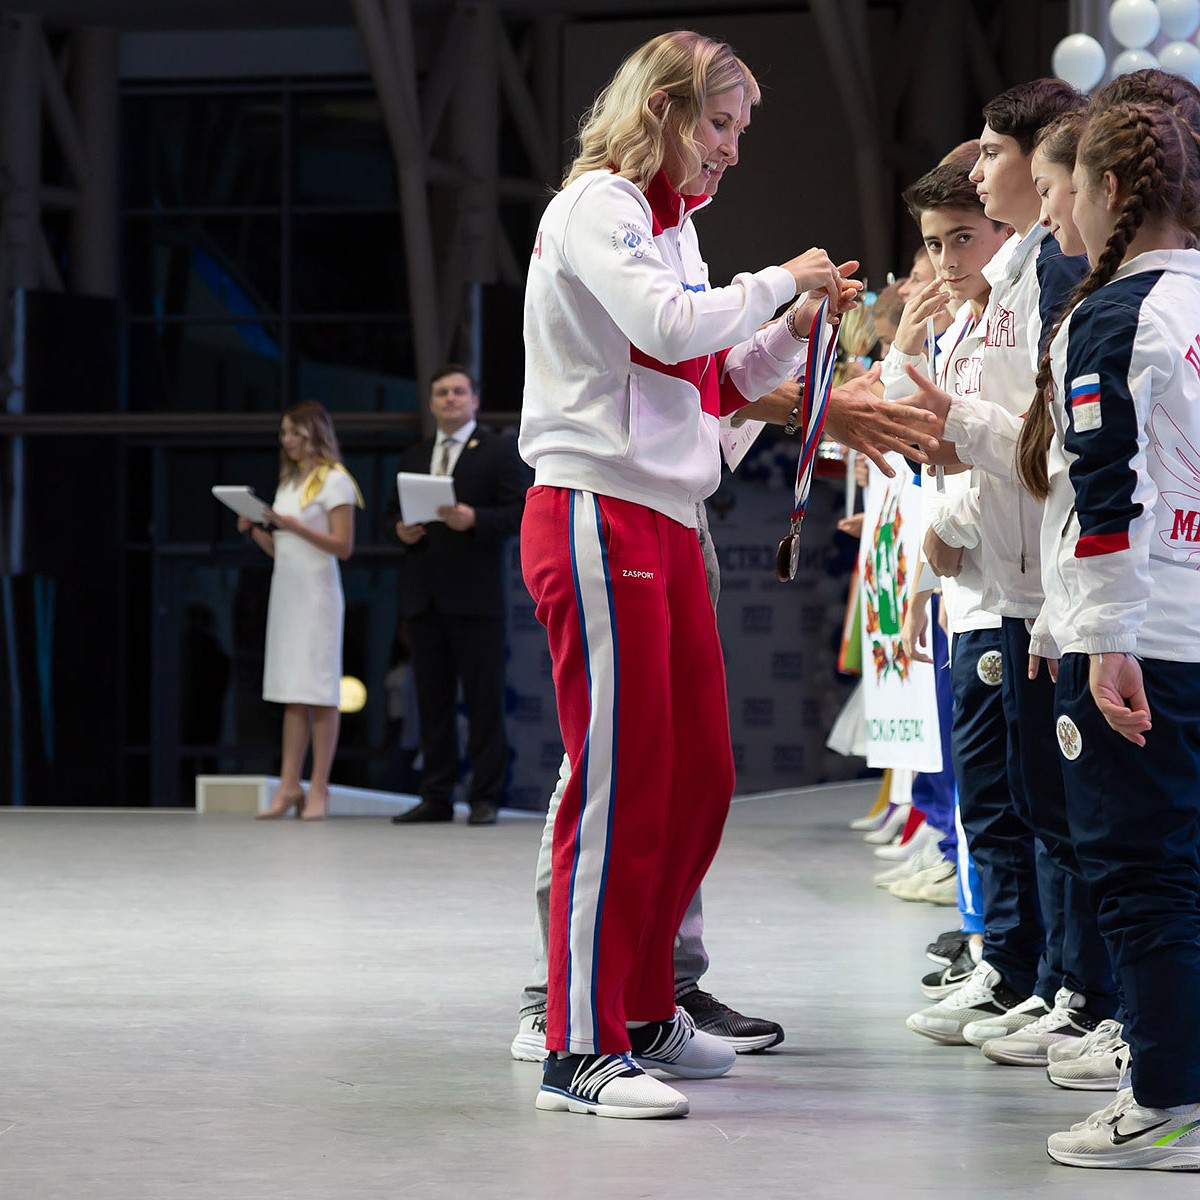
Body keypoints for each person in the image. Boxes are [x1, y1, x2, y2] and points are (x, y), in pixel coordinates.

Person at [519, 29, 861, 1120]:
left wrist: (798, 328)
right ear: (661, 110)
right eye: (719, 125)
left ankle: (641, 1009)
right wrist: (777, 282)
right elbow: (665, 333)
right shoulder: (598, 206)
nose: (731, 151)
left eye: (739, 131)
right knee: (618, 784)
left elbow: (708, 383)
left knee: (697, 778)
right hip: (596, 508)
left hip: (666, 513)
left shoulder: (675, 230)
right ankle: (576, 1046)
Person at [903, 80, 1121, 1064]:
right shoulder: (1015, 284)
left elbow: (1038, 451)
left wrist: (945, 482)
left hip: (1044, 591)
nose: (981, 170)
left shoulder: (1052, 285)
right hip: (1016, 589)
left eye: (992, 152)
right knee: (1020, 802)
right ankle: (1046, 974)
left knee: (1067, 815)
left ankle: (1079, 987)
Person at [1013, 99, 1200, 1172]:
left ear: (1112, 192)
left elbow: (1107, 487)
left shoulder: (1112, 313)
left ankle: (1168, 1097)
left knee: (1140, 875)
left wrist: (1108, 634)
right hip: (1182, 625)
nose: (1063, 206)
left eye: (1069, 183)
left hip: (1140, 632)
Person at [384, 364, 531, 827]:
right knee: (431, 701)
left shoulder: (496, 450)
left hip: (476, 597)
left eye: (458, 392)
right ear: (430, 403)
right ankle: (437, 795)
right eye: (441, 393)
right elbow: (391, 515)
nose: (450, 399)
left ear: (474, 399)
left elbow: (519, 512)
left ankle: (486, 796)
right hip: (424, 596)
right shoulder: (415, 453)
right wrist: (400, 530)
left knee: (484, 700)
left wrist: (476, 519)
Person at [240, 400, 362, 821]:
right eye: (284, 433)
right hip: (288, 592)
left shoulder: (335, 481)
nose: (287, 440)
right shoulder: (290, 482)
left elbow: (342, 546)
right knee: (293, 693)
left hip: (316, 595)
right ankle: (288, 784)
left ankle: (319, 789)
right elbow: (284, 550)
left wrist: (290, 525)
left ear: (313, 432)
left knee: (321, 692)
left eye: (293, 431)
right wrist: (258, 530)